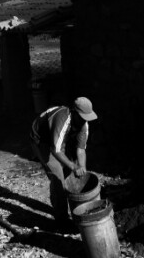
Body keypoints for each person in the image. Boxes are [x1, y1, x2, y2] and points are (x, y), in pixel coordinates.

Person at [30, 97, 97, 227]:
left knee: (70, 174)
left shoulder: (83, 124)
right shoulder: (63, 119)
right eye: (83, 117)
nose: (85, 120)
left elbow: (81, 150)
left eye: (87, 118)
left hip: (59, 140)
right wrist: (73, 166)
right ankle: (62, 218)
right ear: (74, 112)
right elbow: (56, 150)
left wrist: (81, 168)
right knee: (58, 177)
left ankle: (73, 209)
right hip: (41, 139)